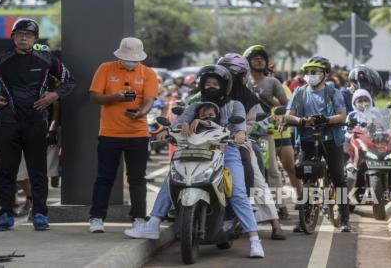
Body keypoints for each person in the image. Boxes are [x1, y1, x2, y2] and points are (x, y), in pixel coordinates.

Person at [126, 64, 265, 258]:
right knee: (172, 179)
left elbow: (240, 123)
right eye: (207, 83)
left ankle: (254, 240)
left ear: (225, 86)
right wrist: (167, 132)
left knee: (238, 193)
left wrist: (240, 133)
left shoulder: (235, 105)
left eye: (215, 83)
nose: (210, 86)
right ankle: (153, 223)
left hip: (227, 152)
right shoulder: (194, 106)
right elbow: (179, 122)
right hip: (196, 151)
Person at [0, 18, 76, 231]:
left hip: (36, 123)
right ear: (13, 37)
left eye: (28, 34)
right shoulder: (1, 60)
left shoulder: (46, 59)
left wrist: (54, 94)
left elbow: (70, 81)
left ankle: (39, 214)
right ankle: (5, 214)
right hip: (7, 123)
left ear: (35, 38)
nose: (23, 37)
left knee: (38, 172)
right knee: (7, 171)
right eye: (19, 34)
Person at [88, 37, 159, 234]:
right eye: (128, 59)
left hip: (138, 133)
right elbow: (93, 96)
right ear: (119, 55)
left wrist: (141, 113)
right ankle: (96, 217)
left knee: (137, 178)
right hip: (109, 133)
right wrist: (114, 97)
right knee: (105, 177)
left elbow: (149, 100)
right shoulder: (105, 68)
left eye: (135, 60)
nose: (131, 62)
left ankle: (138, 217)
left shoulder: (148, 73)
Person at [217, 53, 286, 240]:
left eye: (228, 74)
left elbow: (248, 125)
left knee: (256, 178)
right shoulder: (210, 92)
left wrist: (237, 134)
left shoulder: (248, 98)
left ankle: (275, 223)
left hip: (238, 143)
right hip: (209, 143)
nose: (222, 79)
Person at [282, 56, 351, 232]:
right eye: (308, 72)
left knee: (337, 177)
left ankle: (344, 219)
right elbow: (288, 115)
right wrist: (302, 121)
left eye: (315, 72)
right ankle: (304, 218)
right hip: (306, 140)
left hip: (330, 140)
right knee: (306, 175)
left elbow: (342, 116)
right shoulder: (299, 92)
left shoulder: (332, 92)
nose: (310, 75)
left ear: (325, 74)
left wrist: (326, 119)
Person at [243, 45, 293, 219]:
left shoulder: (273, 82)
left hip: (264, 131)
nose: (259, 60)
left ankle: (280, 206)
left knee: (271, 169)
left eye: (261, 58)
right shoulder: (242, 81)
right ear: (247, 62)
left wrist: (276, 109)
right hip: (243, 132)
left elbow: (287, 105)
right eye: (255, 58)